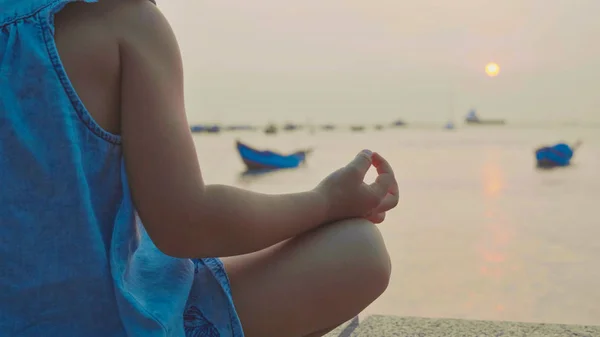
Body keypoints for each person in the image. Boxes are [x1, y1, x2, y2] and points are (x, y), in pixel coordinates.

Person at [0, 1, 399, 336]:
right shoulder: (124, 22)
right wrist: (326, 202)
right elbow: (187, 225)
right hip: (111, 321)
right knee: (359, 250)